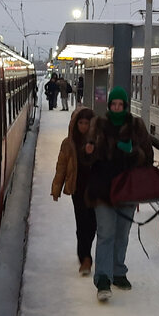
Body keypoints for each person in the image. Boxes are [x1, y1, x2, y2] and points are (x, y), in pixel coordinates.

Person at [85, 87, 154, 302]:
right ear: (109, 106)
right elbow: (89, 158)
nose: (117, 108)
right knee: (106, 232)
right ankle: (103, 279)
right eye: (113, 104)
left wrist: (132, 150)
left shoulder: (136, 126)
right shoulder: (98, 124)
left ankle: (118, 272)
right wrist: (89, 151)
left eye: (120, 105)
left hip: (127, 189)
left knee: (122, 234)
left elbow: (148, 157)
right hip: (103, 189)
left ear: (125, 105)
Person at [51, 107, 97, 276]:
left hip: (95, 190)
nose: (84, 126)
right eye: (81, 123)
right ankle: (85, 257)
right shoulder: (68, 143)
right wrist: (56, 188)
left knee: (92, 224)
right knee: (82, 223)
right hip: (77, 188)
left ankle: (86, 253)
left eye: (87, 123)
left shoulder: (98, 141)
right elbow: (61, 166)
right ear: (75, 124)